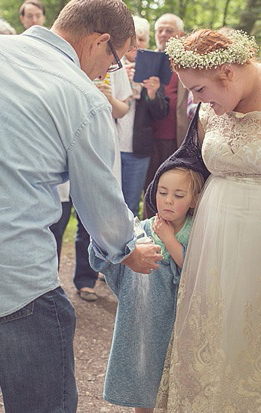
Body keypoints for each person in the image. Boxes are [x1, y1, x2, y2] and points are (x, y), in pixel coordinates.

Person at [0, 0, 162, 410]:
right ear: (99, 41)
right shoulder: (82, 98)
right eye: (112, 64)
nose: (106, 75)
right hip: (8, 279)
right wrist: (127, 251)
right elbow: (100, 201)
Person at [148, 28, 261, 410]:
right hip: (215, 241)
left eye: (199, 90)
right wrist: (159, 201)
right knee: (214, 333)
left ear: (227, 73)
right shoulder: (209, 109)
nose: (195, 101)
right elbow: (190, 159)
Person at [90, 167, 202, 412]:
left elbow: (196, 270)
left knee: (175, 383)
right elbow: (113, 259)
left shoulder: (197, 231)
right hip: (144, 322)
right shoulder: (142, 229)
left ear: (194, 199)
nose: (168, 200)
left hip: (178, 323)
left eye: (179, 195)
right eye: (162, 193)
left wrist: (170, 239)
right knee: (143, 379)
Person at [72, 53, 133, 300]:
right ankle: (80, 278)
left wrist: (108, 99)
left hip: (106, 146)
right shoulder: (76, 63)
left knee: (102, 211)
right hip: (77, 142)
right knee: (77, 217)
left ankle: (103, 274)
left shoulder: (115, 70)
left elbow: (123, 110)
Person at [119, 15, 169, 216]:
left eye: (141, 40)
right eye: (132, 39)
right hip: (110, 147)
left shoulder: (153, 71)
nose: (136, 45)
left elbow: (161, 112)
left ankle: (128, 248)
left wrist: (152, 93)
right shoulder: (110, 66)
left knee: (130, 206)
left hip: (138, 150)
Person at [142, 13, 188, 219]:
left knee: (176, 192)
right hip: (149, 139)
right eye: (159, 30)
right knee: (150, 192)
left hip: (178, 138)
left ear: (180, 34)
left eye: (169, 30)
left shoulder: (188, 63)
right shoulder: (148, 61)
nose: (163, 34)